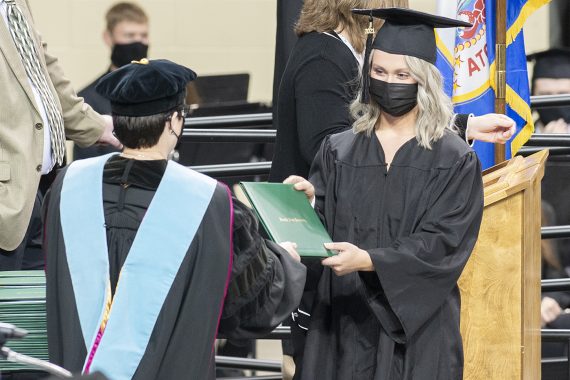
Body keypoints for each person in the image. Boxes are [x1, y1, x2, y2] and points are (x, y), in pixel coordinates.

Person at [44, 59, 306, 380]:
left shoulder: (67, 187)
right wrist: (286, 259)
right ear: (174, 122)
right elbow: (250, 305)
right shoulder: (208, 202)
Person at [285, 8, 484, 379]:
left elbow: (443, 243)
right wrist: (309, 201)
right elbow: (322, 228)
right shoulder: (339, 150)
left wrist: (370, 260)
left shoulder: (453, 159)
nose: (388, 82)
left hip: (419, 332)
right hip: (342, 323)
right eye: (379, 72)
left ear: (423, 81)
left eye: (402, 75)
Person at [269, 0, 516, 183]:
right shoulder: (323, 56)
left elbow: (386, 121)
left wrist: (462, 127)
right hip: (312, 219)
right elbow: (325, 149)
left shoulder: (349, 50)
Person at [0, 0, 120, 269]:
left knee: (37, 307)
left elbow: (43, 66)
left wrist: (94, 124)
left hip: (41, 188)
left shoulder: (15, 3)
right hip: (7, 200)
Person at [74, 2, 149, 160]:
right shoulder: (87, 100)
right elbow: (86, 165)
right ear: (108, 37)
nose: (138, 42)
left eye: (143, 36)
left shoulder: (160, 91)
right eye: (129, 36)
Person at [527, 48, 570, 133]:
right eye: (545, 94)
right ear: (533, 94)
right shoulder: (517, 139)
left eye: (563, 94)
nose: (554, 102)